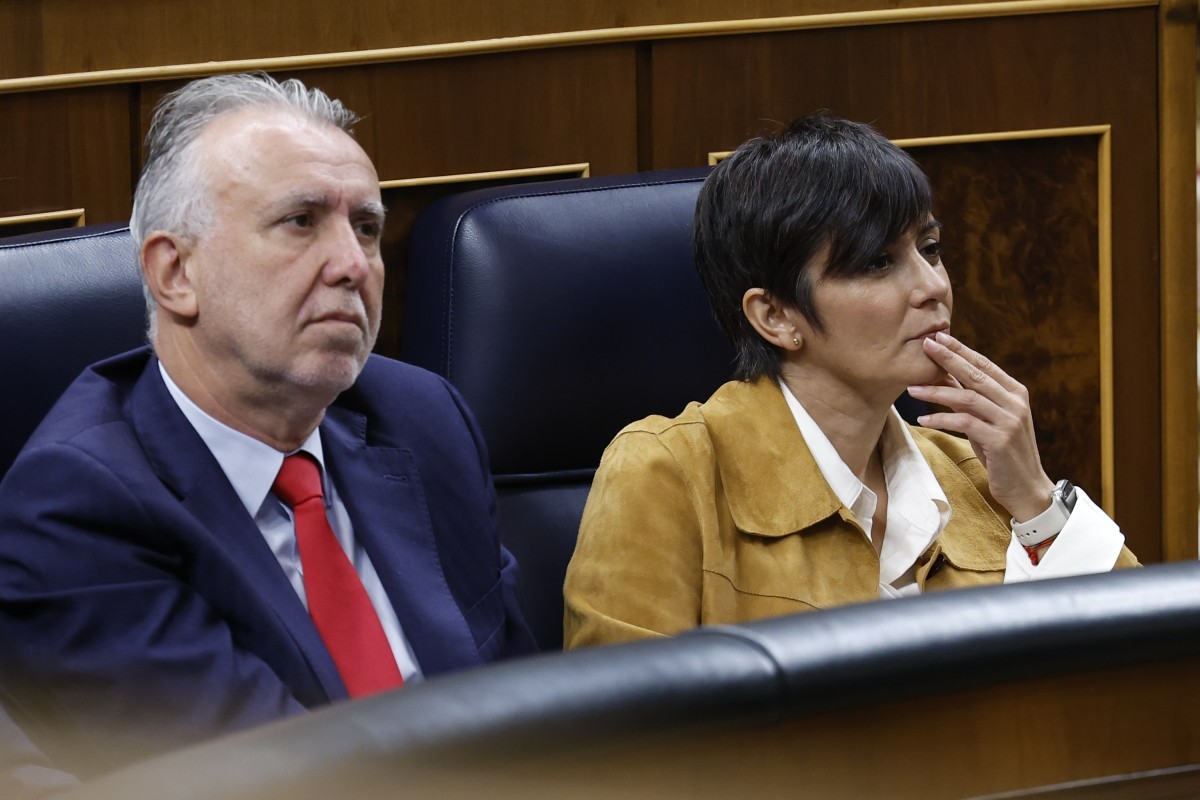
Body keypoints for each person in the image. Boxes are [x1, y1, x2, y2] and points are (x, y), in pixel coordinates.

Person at [0, 73, 536, 777]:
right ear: (175, 274)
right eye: (300, 222)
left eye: (366, 228)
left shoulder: (420, 419)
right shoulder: (74, 509)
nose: (353, 265)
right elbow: (268, 783)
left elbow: (527, 707)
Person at [563, 114, 1138, 648]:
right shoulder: (666, 475)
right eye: (876, 262)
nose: (932, 285)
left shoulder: (974, 470)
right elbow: (620, 745)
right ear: (777, 317)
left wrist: (1036, 502)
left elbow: (1139, 678)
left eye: (930, 249)